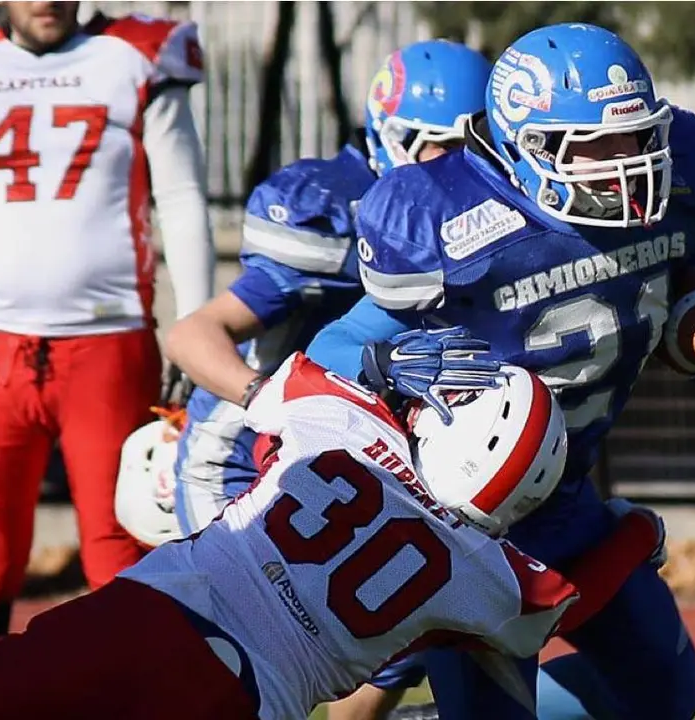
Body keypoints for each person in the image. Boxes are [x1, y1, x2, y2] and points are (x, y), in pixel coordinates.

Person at [306, 23, 695, 720]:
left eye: (637, 138)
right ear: (525, 147)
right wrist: (391, 365)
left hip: (568, 504)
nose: (627, 164)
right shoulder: (450, 220)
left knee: (665, 695)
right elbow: (334, 348)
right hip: (469, 529)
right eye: (596, 145)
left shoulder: (669, 191)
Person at [0, 353, 665, 720]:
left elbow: (290, 381)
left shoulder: (346, 421)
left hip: (158, 613)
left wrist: (383, 372)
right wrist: (635, 534)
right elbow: (563, 604)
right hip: (243, 698)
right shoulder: (482, 571)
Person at [123, 39, 491, 720]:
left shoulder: (482, 217)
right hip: (245, 459)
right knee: (247, 665)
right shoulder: (337, 210)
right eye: (445, 147)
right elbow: (193, 334)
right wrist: (271, 400)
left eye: (476, 148)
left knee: (388, 640)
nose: (461, 168)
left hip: (355, 462)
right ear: (394, 137)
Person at [0, 1, 214, 651]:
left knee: (119, 549)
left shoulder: (136, 54)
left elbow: (181, 198)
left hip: (108, 344)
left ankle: (132, 693)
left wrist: (196, 327)